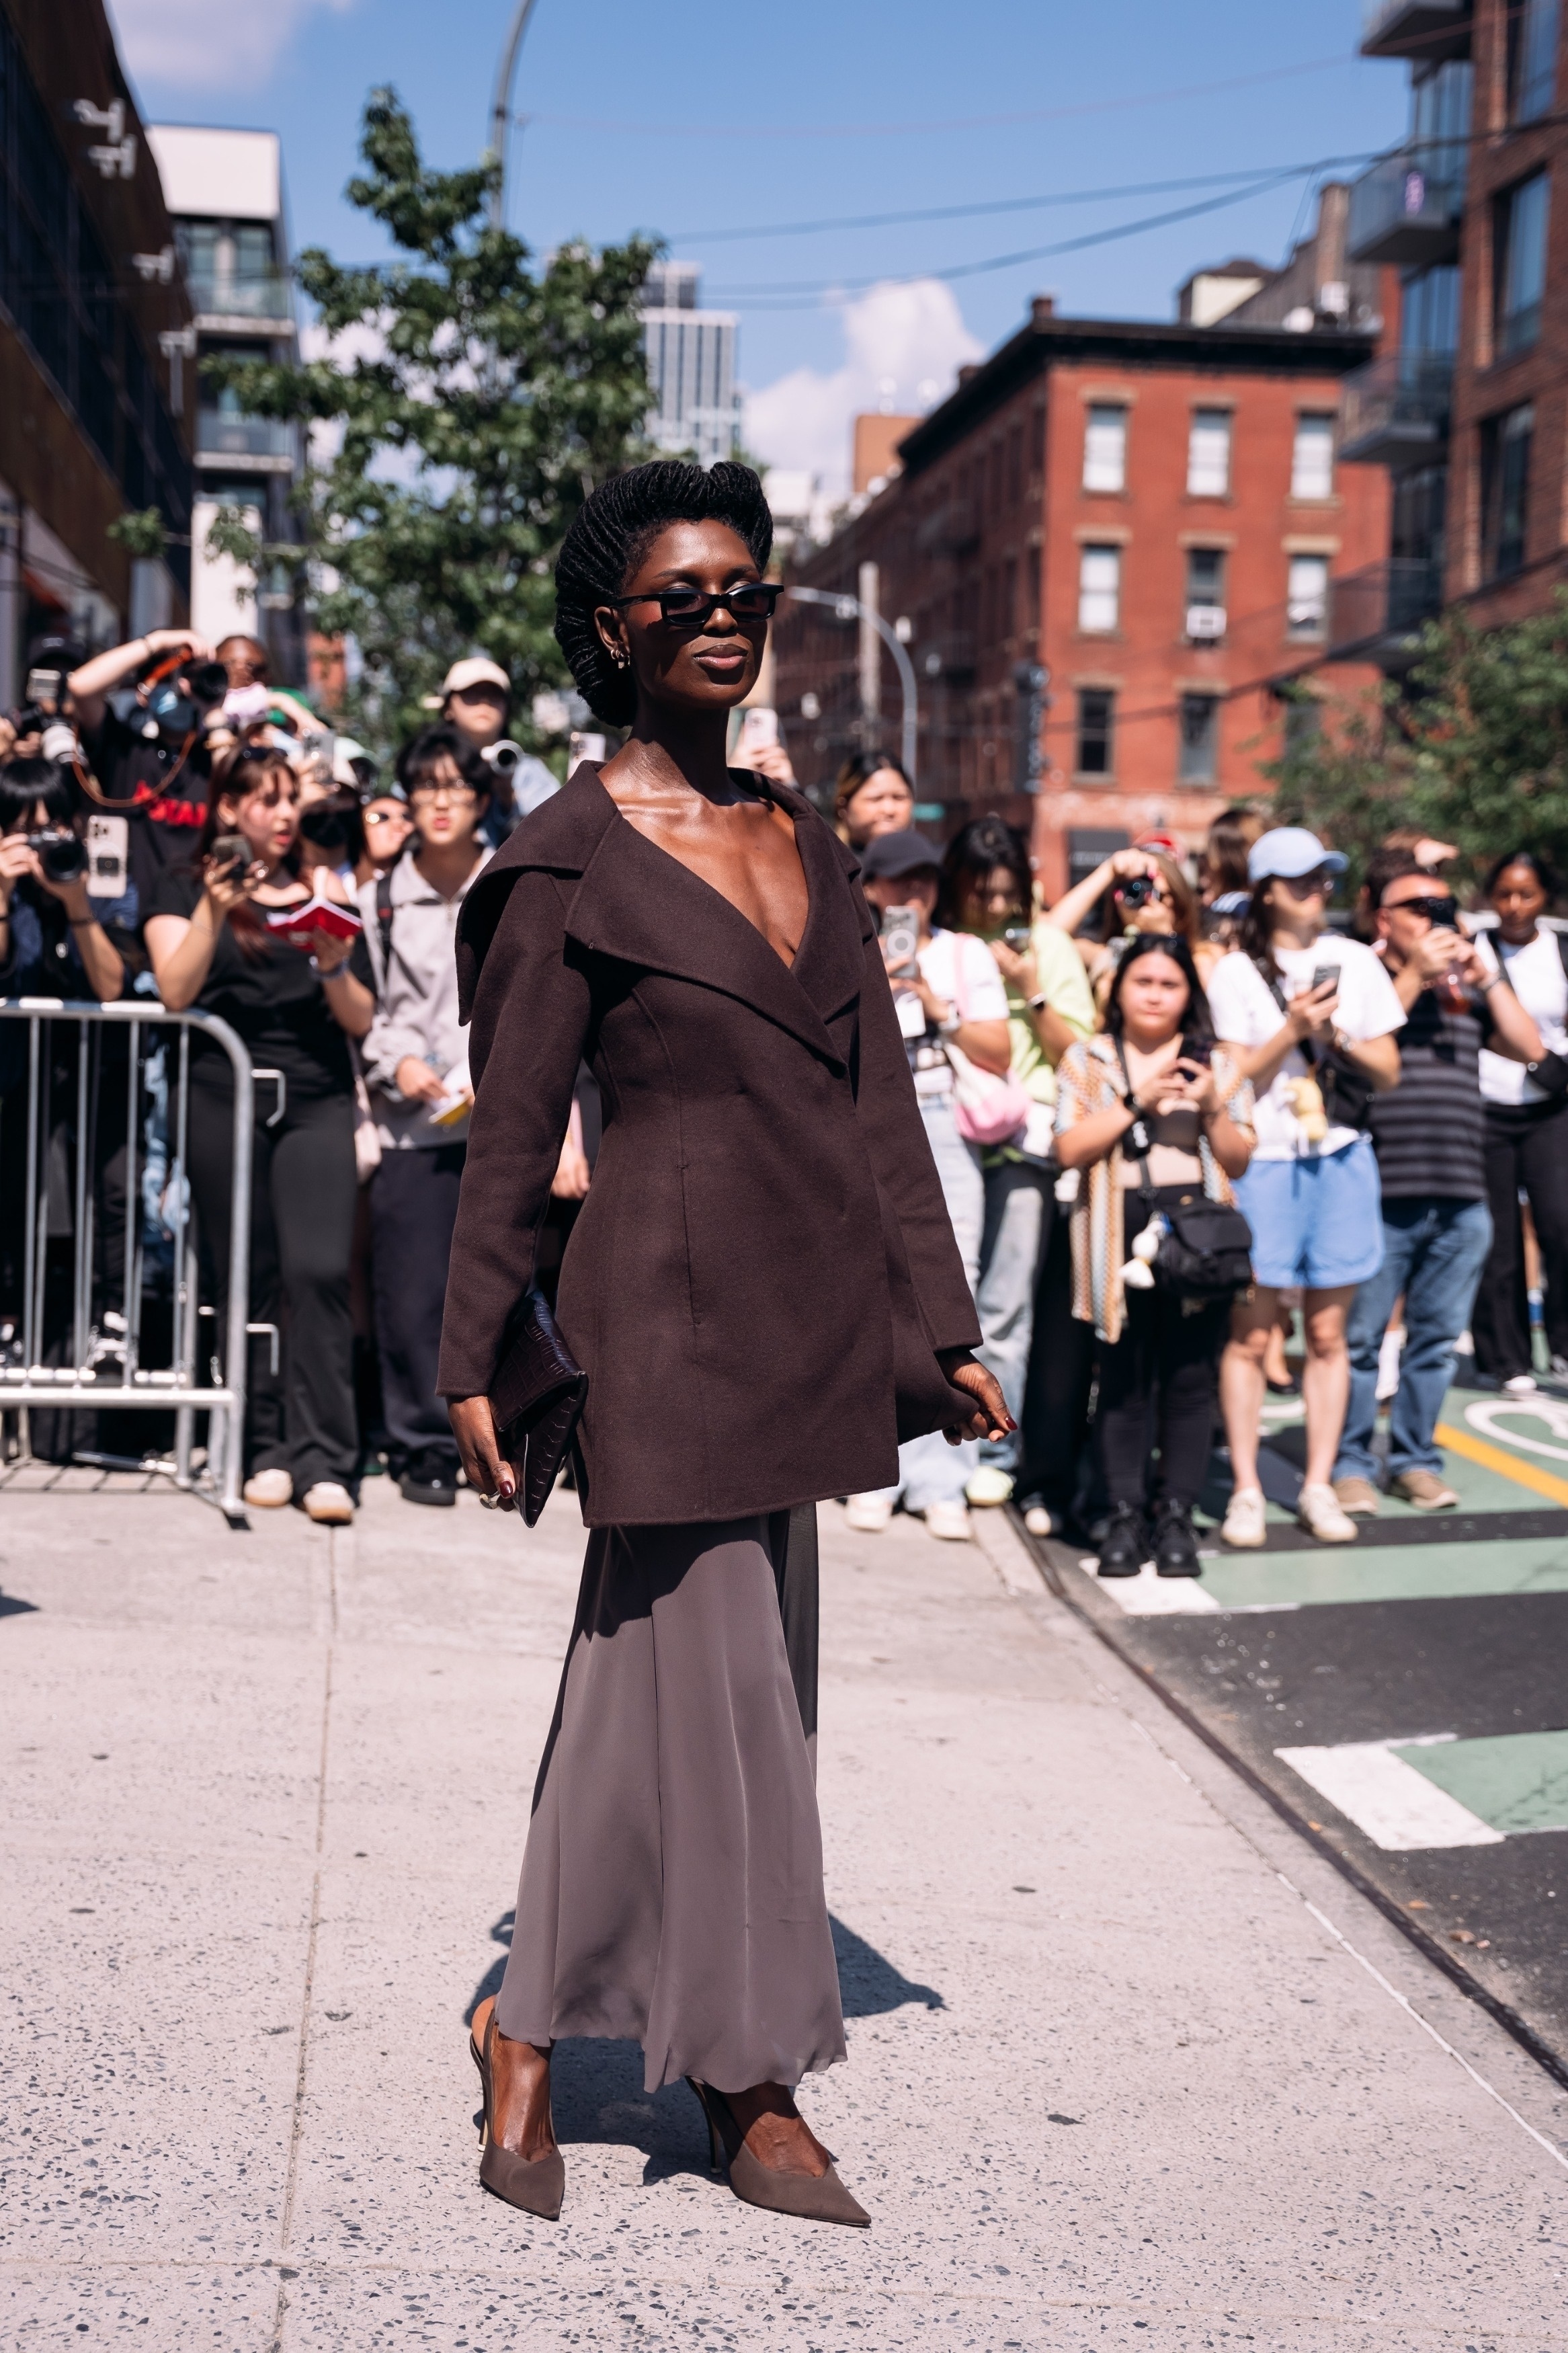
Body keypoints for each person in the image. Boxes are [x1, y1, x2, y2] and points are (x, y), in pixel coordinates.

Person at [439, 458, 1007, 2227]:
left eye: (745, 592)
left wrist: (942, 1323)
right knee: (727, 1694)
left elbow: (880, 1114)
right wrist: (470, 1350)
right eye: (680, 595)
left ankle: (531, 2025)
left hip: (808, 1322)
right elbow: (511, 1128)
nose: (720, 618)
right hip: (661, 1328)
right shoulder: (563, 858)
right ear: (611, 630)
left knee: (667, 1691)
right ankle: (742, 2073)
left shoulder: (803, 837)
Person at [144, 742, 376, 1525]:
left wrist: (334, 965)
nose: (284, 815)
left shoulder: (324, 885)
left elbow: (361, 1017)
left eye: (289, 799)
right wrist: (215, 906)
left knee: (318, 1270)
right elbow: (174, 992)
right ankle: (261, 1446)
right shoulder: (182, 884)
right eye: (266, 799)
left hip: (315, 1099)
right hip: (222, 1097)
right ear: (226, 807)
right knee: (246, 1275)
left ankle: (326, 1458)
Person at [1205, 828, 1405, 1547]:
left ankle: (1318, 1484)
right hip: (1262, 1161)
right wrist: (1290, 1029)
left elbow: (1388, 1070)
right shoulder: (1233, 971)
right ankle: (1247, 1489)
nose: (1317, 889)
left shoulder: (1356, 960)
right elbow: (1227, 1083)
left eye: (1323, 876)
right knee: (1251, 1333)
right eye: (1300, 879)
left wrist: (1336, 1033)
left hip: (1341, 1155)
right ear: (1264, 890)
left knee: (1327, 1334)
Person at [1333, 854, 1542, 1511]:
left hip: (1461, 1193)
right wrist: (1412, 976)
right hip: (1379, 1191)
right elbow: (1355, 1045)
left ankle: (1414, 1460)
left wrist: (1490, 975)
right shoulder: (1362, 978)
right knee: (1359, 1342)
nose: (1434, 920)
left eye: (1443, 907)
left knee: (1433, 1343)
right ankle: (1347, 1463)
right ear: (1382, 919)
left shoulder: (1464, 989)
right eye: (1418, 908)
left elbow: (1529, 1047)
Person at [1054, 935, 1254, 1577]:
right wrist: (1136, 1101)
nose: (1154, 996)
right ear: (1117, 987)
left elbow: (1239, 1159)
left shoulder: (1216, 1063)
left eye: (1169, 985)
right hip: (1115, 1230)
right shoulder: (1087, 1058)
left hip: (1198, 1233)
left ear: (1189, 995)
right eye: (1142, 981)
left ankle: (1175, 1517)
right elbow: (1067, 1149)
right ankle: (1123, 1514)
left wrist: (1209, 1106)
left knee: (1190, 1381)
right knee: (1120, 1378)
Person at [846, 826, 1013, 1542]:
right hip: (864, 1115)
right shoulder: (846, 946)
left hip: (942, 1112)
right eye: (896, 880)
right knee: (865, 1288)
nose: (911, 892)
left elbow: (999, 1049)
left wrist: (934, 1005)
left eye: (923, 878)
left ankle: (941, 1477)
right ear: (870, 887)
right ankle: (874, 1471)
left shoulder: (964, 952)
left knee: (951, 1287)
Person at [935, 815, 1097, 1510]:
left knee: (1002, 1306)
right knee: (941, 1300)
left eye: (1007, 892)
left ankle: (996, 1448)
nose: (996, 906)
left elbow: (1081, 1054)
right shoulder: (939, 941)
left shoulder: (1046, 944)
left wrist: (1029, 990)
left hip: (1022, 1147)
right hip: (945, 1134)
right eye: (982, 892)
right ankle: (932, 1447)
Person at [357, 729, 493, 1505]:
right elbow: (366, 1007)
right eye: (426, 786)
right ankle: (418, 1445)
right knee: (410, 1291)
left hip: (494, 1120)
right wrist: (397, 1060)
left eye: (456, 786)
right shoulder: (377, 898)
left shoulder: (508, 883)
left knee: (492, 1290)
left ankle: (499, 1441)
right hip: (408, 1120)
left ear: (480, 799)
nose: (441, 802)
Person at [1469, 850, 1568, 1390]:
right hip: (1485, 1106)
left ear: (1544, 897)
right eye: (1503, 894)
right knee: (1498, 1239)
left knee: (1559, 1224)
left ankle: (1562, 1345)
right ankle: (1504, 1357)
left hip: (1550, 1108)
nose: (1512, 905)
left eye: (1525, 894)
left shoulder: (1559, 950)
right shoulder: (1471, 950)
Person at [67, 629, 230, 910]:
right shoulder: (126, 752)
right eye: (167, 680)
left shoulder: (214, 756)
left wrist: (214, 713)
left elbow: (231, 783)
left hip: (196, 915)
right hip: (127, 913)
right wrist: (158, 641)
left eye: (185, 680)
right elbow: (81, 686)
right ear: (145, 691)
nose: (180, 690)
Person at [1045, 843, 1214, 1002]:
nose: (1145, 901)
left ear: (1177, 902)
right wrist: (1109, 870)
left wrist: (1165, 938)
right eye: (1134, 892)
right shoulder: (1108, 956)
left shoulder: (1202, 958)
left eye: (1158, 895)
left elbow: (1203, 1002)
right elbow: (1050, 935)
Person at [429, 655, 557, 842]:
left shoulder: (528, 770)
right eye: (471, 694)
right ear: (448, 707)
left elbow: (554, 832)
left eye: (495, 695)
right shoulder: (427, 766)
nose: (485, 701)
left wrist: (509, 798)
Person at [831, 750, 915, 850]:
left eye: (899, 797)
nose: (889, 810)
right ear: (843, 807)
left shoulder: (926, 858)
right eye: (876, 799)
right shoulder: (826, 858)